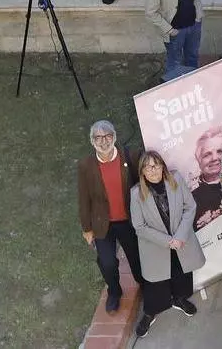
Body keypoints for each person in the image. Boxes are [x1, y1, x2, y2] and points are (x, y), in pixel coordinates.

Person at [129, 151, 204, 337]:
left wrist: (179, 237)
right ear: (142, 172)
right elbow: (139, 226)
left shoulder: (176, 179)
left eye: (156, 165)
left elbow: (190, 207)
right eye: (148, 167)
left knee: (181, 273)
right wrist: (168, 241)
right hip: (157, 246)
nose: (153, 170)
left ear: (163, 166)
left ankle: (179, 299)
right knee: (156, 284)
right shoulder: (137, 193)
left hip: (181, 241)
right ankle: (150, 313)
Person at [77, 121, 143, 314]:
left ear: (114, 136)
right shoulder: (86, 166)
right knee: (107, 262)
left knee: (136, 256)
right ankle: (114, 291)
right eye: (98, 137)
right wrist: (87, 229)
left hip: (127, 220)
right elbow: (83, 199)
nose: (103, 141)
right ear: (92, 141)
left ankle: (143, 283)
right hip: (102, 224)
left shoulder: (130, 156)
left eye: (107, 136)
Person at [188, 127, 222, 229]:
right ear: (199, 160)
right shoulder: (191, 200)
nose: (215, 158)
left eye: (220, 151)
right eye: (207, 154)